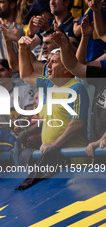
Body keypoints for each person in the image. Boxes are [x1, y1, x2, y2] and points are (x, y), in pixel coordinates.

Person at [18, 35, 89, 163]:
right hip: (55, 158)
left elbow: (77, 123)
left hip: (73, 158)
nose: (48, 65)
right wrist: (22, 48)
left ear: (67, 68)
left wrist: (55, 144)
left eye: (54, 62)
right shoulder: (50, 84)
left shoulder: (76, 88)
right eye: (48, 61)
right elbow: (26, 75)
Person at [50, 28, 106, 162]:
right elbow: (76, 67)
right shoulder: (102, 75)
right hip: (96, 151)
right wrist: (64, 48)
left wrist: (103, 139)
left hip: (101, 145)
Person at [0, 58, 35, 135]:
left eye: (1, 70)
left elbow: (30, 116)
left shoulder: (25, 89)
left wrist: (8, 123)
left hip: (27, 136)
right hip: (5, 141)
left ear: (10, 72)